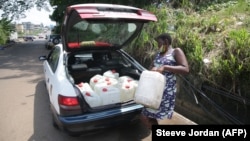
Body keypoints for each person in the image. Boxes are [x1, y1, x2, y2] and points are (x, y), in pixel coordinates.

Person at [140, 33, 189, 129]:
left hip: (166, 91)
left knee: (146, 116)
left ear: (166, 41)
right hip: (154, 90)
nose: (158, 46)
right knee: (147, 116)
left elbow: (185, 69)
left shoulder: (176, 51)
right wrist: (152, 69)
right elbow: (151, 66)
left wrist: (165, 67)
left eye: (159, 43)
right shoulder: (159, 54)